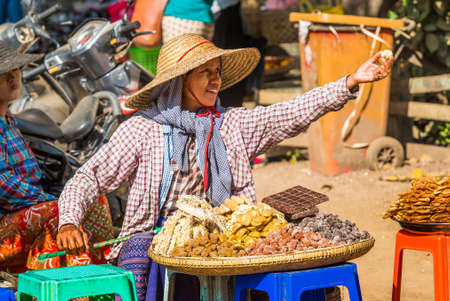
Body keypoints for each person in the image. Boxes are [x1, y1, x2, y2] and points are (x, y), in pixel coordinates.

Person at [56, 33, 393, 300]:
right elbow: (90, 176)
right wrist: (69, 219)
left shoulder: (232, 124)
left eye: (217, 72)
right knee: (141, 252)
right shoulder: (143, 130)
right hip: (158, 237)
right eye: (205, 73)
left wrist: (349, 82)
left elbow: (291, 112)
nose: (215, 80)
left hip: (225, 234)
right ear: (180, 80)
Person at [0, 41, 112, 271]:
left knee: (93, 200)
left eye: (16, 72)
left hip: (24, 211)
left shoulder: (8, 119)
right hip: (5, 223)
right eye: (4, 76)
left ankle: (99, 275)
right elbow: (3, 186)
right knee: (59, 213)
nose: (14, 79)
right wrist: (49, 200)